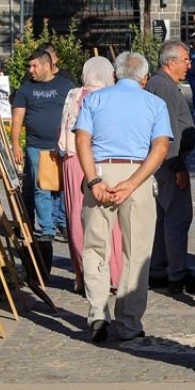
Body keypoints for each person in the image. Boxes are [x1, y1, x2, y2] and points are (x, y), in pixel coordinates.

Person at [73, 51, 172, 343]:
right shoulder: (155, 103)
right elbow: (161, 147)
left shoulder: (95, 99)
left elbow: (82, 139)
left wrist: (93, 180)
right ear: (145, 78)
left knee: (95, 247)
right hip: (137, 177)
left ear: (115, 75)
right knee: (137, 252)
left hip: (100, 172)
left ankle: (98, 312)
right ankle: (128, 322)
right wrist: (133, 183)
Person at [145, 40, 195, 295]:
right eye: (185, 60)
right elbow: (168, 131)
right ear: (171, 62)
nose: (189, 64)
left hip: (166, 162)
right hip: (169, 164)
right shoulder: (163, 86)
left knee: (164, 218)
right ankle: (176, 273)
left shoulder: (163, 84)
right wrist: (178, 166)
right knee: (177, 218)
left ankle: (160, 270)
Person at [58, 56, 122, 293]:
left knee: (77, 217)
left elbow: (64, 129)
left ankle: (82, 274)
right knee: (108, 217)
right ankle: (113, 273)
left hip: (72, 160)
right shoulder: (109, 97)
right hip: (101, 160)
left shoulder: (73, 94)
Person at [11, 49, 76, 276]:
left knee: (60, 187)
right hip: (36, 146)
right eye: (30, 67)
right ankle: (46, 230)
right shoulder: (27, 88)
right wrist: (15, 144)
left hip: (59, 146)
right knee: (41, 187)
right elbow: (18, 117)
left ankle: (61, 223)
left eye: (34, 66)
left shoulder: (65, 86)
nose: (31, 70)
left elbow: (73, 113)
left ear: (47, 65)